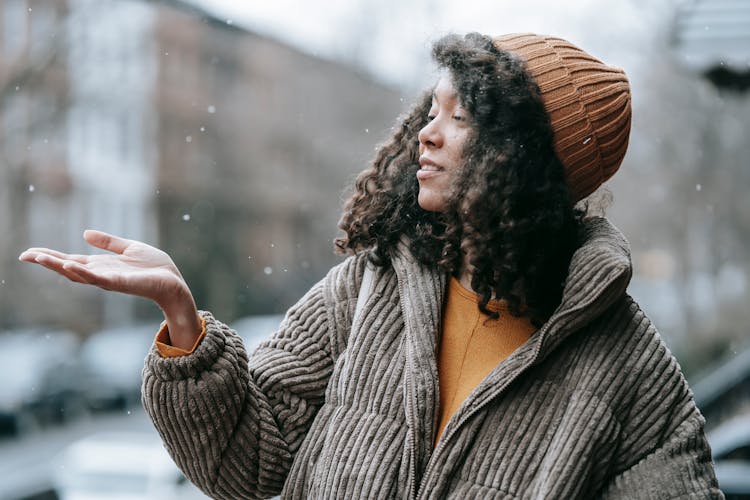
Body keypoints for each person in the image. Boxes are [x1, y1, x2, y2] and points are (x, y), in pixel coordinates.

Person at [19, 32, 722, 499]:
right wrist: (182, 321)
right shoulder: (371, 285)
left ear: (528, 161)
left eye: (460, 118)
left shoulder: (628, 368)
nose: (426, 132)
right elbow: (251, 462)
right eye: (430, 109)